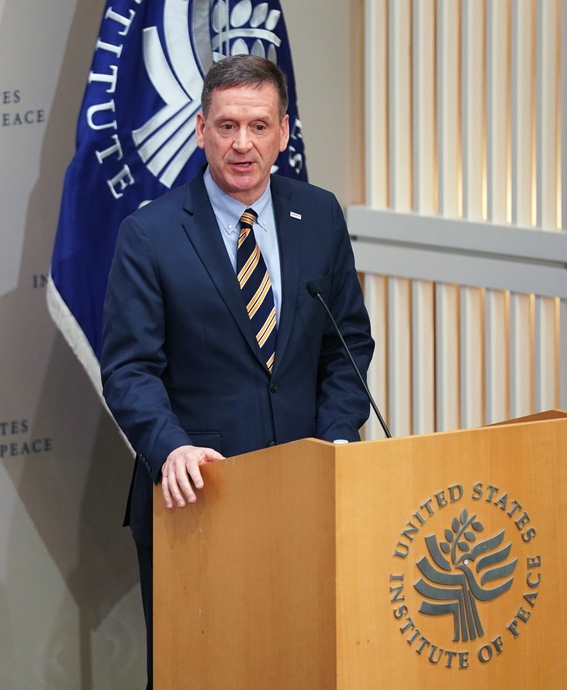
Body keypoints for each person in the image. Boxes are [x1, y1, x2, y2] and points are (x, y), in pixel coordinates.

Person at [99, 54, 374, 688]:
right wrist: (170, 449)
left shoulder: (321, 215)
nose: (241, 144)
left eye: (258, 125)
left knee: (306, 666)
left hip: (307, 498)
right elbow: (130, 370)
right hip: (200, 503)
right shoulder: (150, 234)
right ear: (200, 130)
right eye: (226, 126)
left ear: (283, 132)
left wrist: (334, 438)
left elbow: (347, 343)